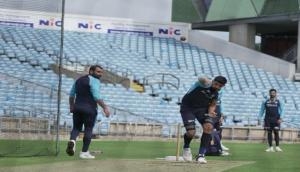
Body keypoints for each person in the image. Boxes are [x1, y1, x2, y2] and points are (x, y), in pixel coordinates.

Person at [66, 65, 110, 159]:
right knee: (88, 129)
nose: (100, 74)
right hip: (89, 109)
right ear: (91, 71)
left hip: (77, 108)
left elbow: (71, 95)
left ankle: (72, 141)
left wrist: (71, 106)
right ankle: (84, 152)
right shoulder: (95, 81)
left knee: (76, 128)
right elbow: (96, 96)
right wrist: (105, 107)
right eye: (98, 72)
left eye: (101, 72)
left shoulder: (78, 80)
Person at [180, 76, 227, 164]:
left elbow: (213, 104)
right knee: (191, 133)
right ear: (213, 81)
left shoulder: (216, 93)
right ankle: (186, 147)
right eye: (216, 84)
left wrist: (211, 112)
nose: (217, 86)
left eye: (219, 86)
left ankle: (201, 155)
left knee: (209, 127)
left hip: (202, 109)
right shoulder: (203, 84)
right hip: (188, 108)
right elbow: (201, 78)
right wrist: (207, 80)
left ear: (222, 86)